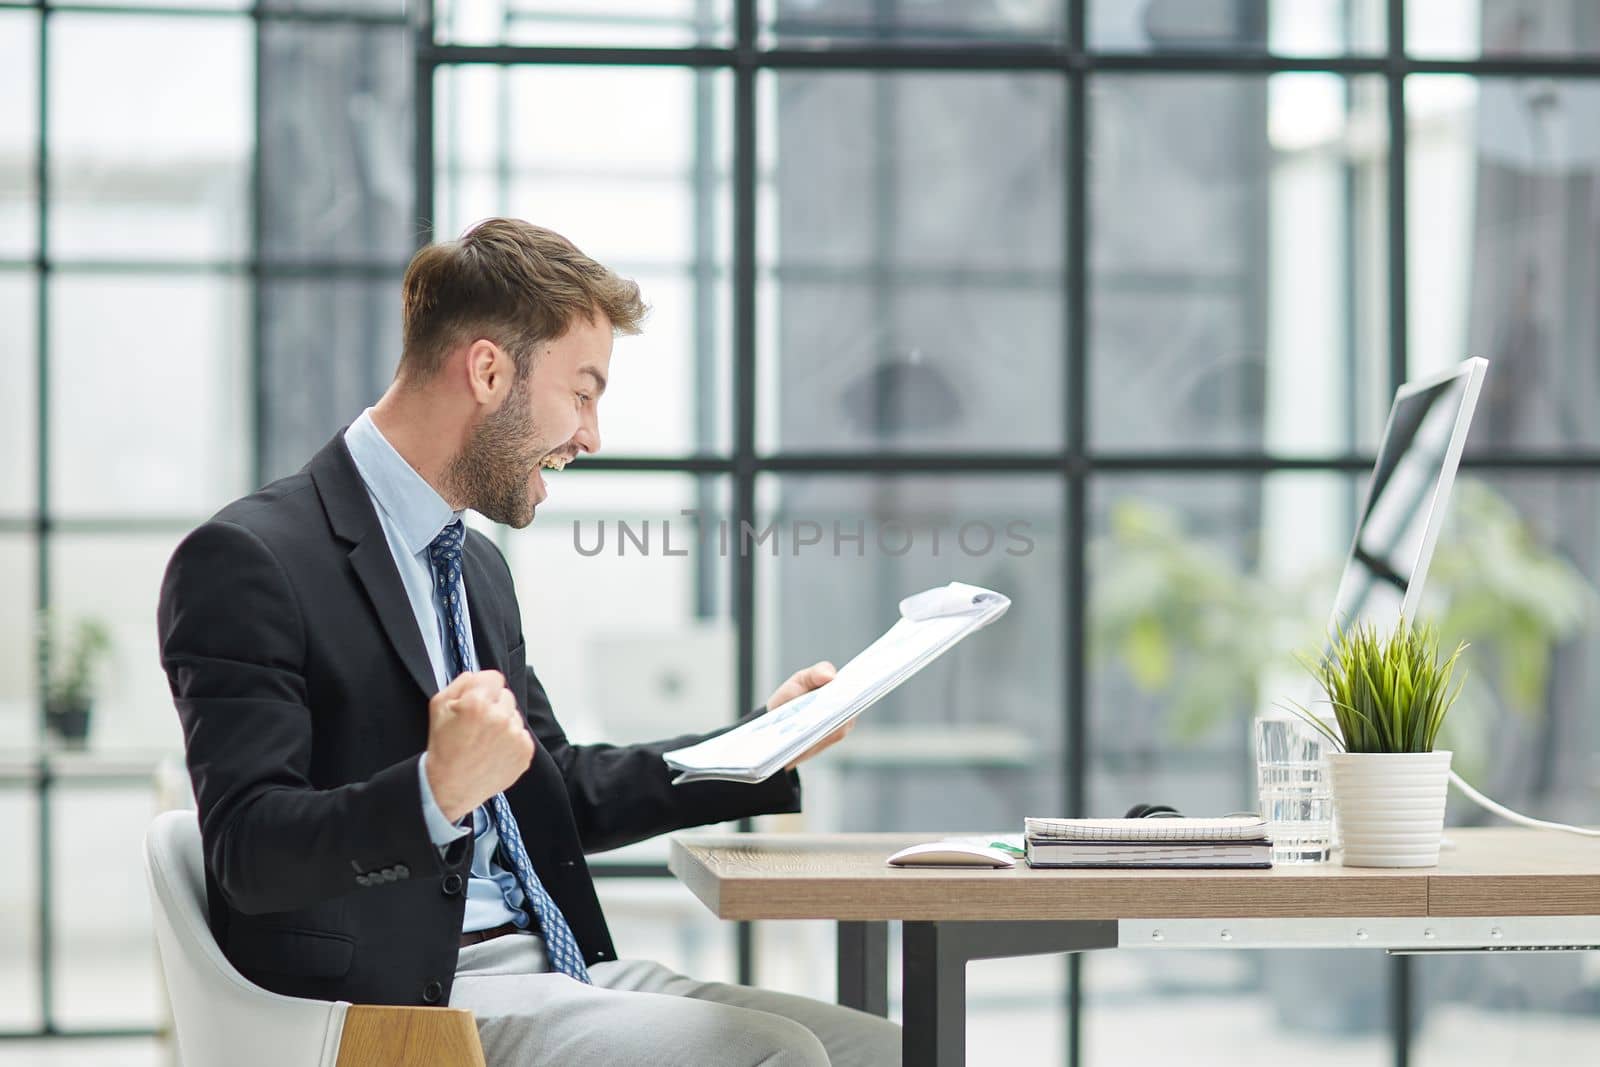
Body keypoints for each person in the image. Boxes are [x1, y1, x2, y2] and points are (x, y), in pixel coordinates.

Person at [157, 217, 900, 1066]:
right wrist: (434, 791)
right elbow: (250, 852)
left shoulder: (471, 566)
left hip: (561, 964)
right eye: (582, 393)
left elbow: (560, 791)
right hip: (414, 1000)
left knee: (889, 1050)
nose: (591, 436)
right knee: (779, 1055)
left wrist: (760, 745)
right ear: (487, 370)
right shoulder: (251, 560)